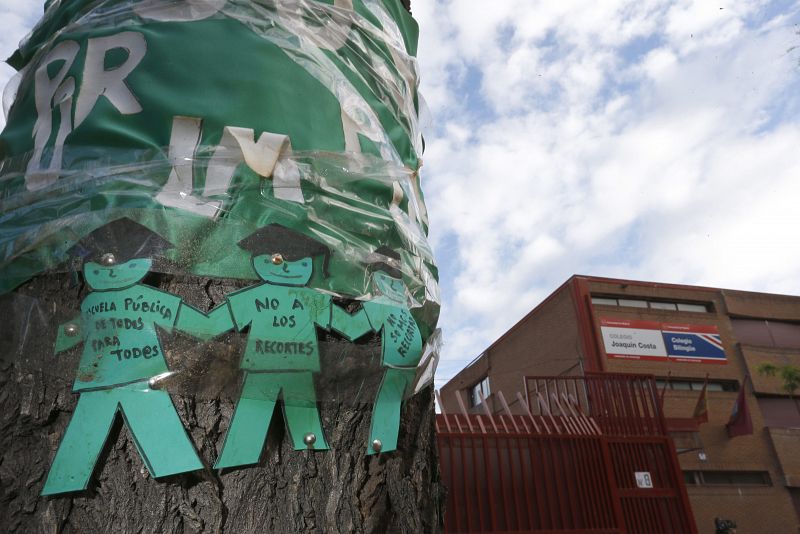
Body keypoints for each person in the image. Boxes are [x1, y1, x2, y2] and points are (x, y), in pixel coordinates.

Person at [43, 218, 205, 495]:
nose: (115, 271)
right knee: (87, 428)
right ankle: (66, 479)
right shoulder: (93, 303)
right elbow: (70, 332)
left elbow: (192, 320)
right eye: (103, 264)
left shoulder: (146, 298)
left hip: (138, 375)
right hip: (103, 379)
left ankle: (174, 467)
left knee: (154, 422)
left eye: (130, 263)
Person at [214, 223, 340, 468]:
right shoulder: (255, 296)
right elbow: (216, 321)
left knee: (306, 428)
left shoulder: (312, 298)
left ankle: (245, 453)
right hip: (263, 366)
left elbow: (349, 325)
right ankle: (240, 454)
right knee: (250, 424)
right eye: (277, 261)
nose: (288, 268)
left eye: (301, 263)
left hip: (297, 367)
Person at [331, 247, 422, 454]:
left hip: (396, 366)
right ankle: (384, 443)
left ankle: (381, 444)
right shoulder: (404, 306)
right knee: (394, 402)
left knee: (387, 402)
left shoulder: (380, 305)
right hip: (412, 366)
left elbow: (353, 329)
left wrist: (326, 312)